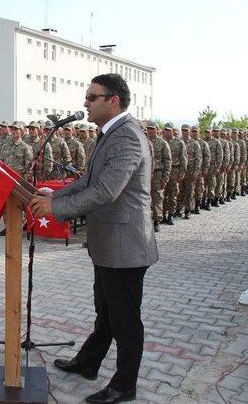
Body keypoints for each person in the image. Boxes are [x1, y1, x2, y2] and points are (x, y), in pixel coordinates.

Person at [30, 74, 157, 404]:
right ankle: (88, 363)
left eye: (92, 96)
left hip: (125, 244)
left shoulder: (127, 136)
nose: (85, 102)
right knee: (107, 312)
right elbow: (87, 180)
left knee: (125, 320)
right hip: (108, 244)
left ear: (113, 100)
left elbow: (106, 191)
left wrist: (56, 208)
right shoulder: (109, 134)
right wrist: (52, 193)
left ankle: (124, 385)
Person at [145, 121, 171, 232]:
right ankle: (146, 220)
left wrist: (165, 177)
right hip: (145, 174)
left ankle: (156, 220)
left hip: (157, 173)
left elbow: (168, 161)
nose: (150, 131)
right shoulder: (143, 141)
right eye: (148, 128)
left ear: (157, 129)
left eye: (152, 128)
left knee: (157, 197)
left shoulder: (162, 143)